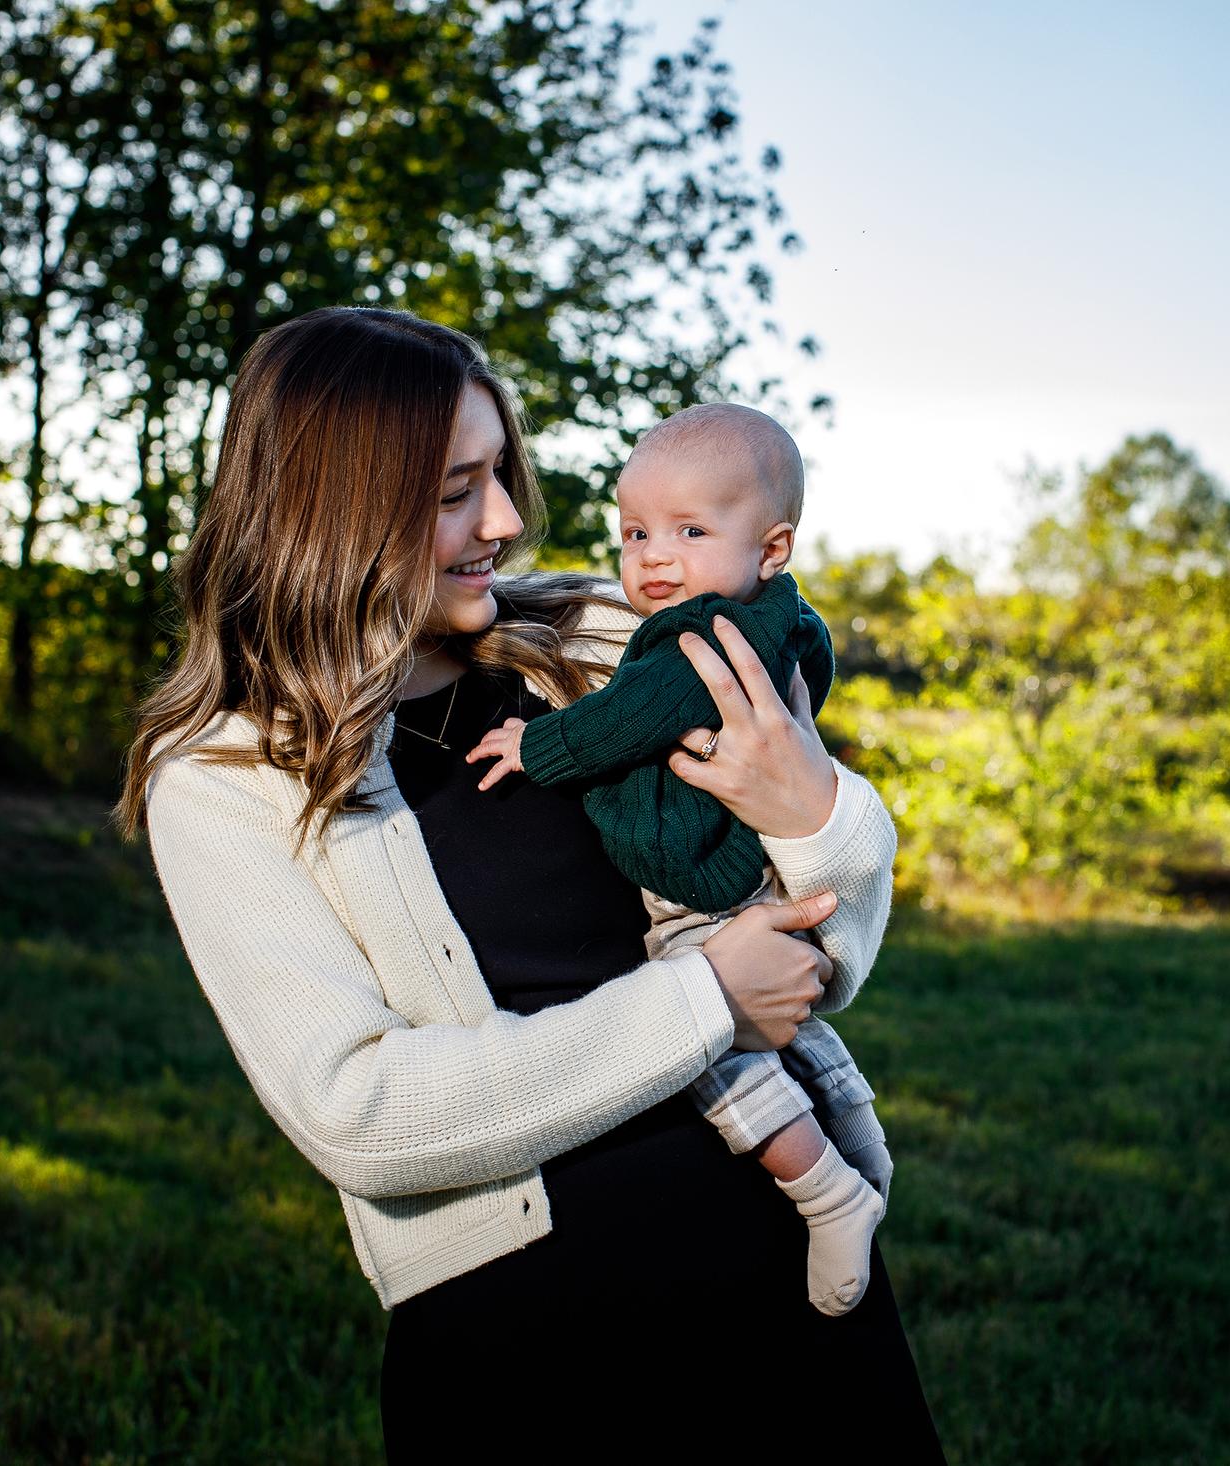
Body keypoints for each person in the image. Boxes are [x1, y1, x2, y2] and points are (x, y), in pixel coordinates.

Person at [116, 306, 945, 1461]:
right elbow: (360, 1109)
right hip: (529, 1350)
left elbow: (825, 949)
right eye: (458, 487)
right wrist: (704, 999)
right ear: (337, 504)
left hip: (791, 1286)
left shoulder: (606, 637)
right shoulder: (222, 775)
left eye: (500, 472)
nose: (506, 518)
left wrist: (814, 814)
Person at [465, 402, 894, 1319]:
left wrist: (536, 747)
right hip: (742, 874)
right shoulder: (767, 618)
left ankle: (829, 1190)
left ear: (771, 549)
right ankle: (864, 1147)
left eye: (689, 531)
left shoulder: (697, 636)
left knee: (714, 1052)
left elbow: (632, 715)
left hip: (702, 876)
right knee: (798, 1033)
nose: (651, 558)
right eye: (635, 532)